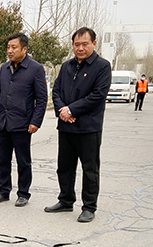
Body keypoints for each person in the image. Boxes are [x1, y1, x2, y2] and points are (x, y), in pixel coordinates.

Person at [46, 27, 112, 222]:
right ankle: (66, 200)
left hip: (88, 128)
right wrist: (62, 110)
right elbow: (56, 91)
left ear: (94, 44)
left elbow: (97, 96)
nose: (80, 48)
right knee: (64, 167)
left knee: (89, 169)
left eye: (85, 44)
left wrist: (72, 110)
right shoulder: (67, 66)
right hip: (66, 126)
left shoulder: (102, 67)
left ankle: (89, 207)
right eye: (77, 44)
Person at [0, 33, 47, 207]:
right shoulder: (4, 68)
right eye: (8, 47)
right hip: (3, 122)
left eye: (14, 47)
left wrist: (35, 121)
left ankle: (23, 193)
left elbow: (42, 99)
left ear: (24, 49)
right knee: (3, 159)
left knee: (23, 161)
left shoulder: (35, 69)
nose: (10, 51)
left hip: (22, 123)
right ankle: (3, 190)